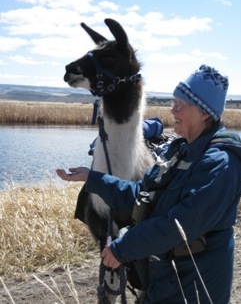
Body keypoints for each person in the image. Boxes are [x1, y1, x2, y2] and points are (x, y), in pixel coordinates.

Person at [56, 64, 241, 303]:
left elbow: (178, 225)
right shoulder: (180, 151)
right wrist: (92, 178)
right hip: (166, 279)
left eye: (180, 105)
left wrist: (122, 249)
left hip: (193, 286)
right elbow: (141, 195)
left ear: (204, 113)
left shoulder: (219, 164)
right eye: (173, 102)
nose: (172, 110)